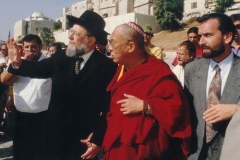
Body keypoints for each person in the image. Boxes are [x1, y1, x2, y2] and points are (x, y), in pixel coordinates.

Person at [6, 10, 116, 160]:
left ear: (90, 40)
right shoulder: (61, 57)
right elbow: (37, 69)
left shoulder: (107, 67)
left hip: (83, 141)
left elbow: (108, 107)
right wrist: (17, 63)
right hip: (53, 138)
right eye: (71, 31)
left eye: (75, 34)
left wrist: (98, 137)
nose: (69, 36)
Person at [102, 22, 191, 160]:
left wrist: (146, 106)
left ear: (131, 46)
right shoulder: (121, 69)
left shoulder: (158, 71)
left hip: (144, 152)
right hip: (117, 145)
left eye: (113, 44)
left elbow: (177, 107)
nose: (109, 49)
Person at [185, 13, 240, 160]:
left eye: (208, 35)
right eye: (200, 36)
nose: (201, 41)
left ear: (227, 37)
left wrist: (237, 110)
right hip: (196, 155)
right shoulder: (191, 70)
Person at [1, 34, 52, 160]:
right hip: (21, 116)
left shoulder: (49, 63)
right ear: (23, 48)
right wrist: (21, 66)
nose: (30, 50)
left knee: (40, 154)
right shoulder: (18, 62)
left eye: (33, 46)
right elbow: (4, 80)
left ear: (40, 46)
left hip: (42, 117)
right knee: (21, 153)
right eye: (27, 47)